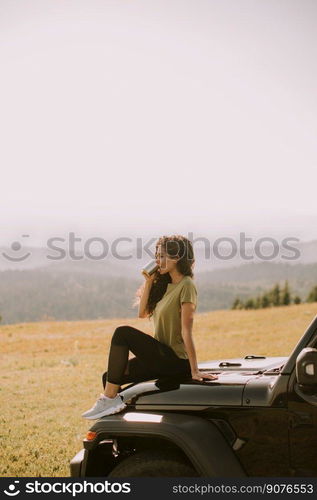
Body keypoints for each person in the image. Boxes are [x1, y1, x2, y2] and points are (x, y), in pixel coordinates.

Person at [82, 234, 218, 420]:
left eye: (162, 256)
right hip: (160, 357)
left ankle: (108, 400)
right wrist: (148, 281)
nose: (157, 261)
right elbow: (143, 313)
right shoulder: (166, 285)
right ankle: (119, 420)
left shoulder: (187, 285)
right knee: (109, 377)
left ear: (176, 258)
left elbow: (187, 330)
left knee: (123, 333)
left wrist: (194, 370)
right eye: (157, 256)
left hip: (175, 360)